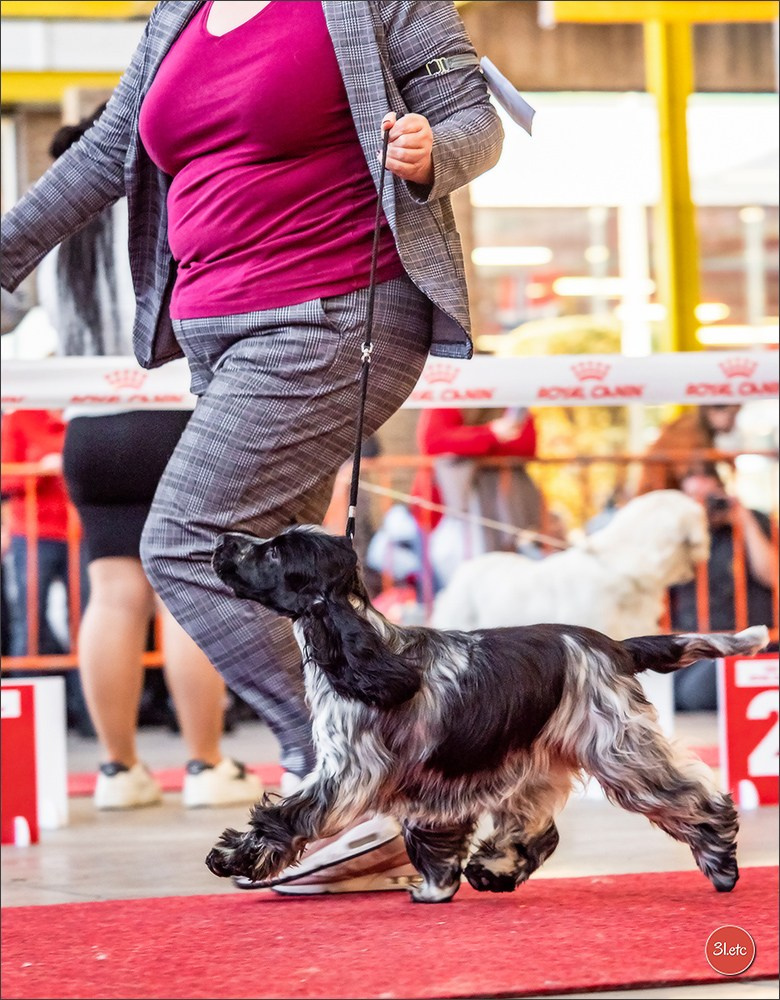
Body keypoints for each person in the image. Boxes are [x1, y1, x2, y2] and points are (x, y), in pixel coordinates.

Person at [1, 1, 503, 890]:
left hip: (338, 311)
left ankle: (363, 779)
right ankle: (398, 785)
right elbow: (105, 155)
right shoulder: (178, 16)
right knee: (282, 576)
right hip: (217, 338)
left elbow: (474, 115)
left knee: (190, 544)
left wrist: (434, 154)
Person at [35, 111, 263, 811]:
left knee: (112, 594)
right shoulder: (169, 210)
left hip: (90, 428)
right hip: (175, 417)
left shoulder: (56, 239)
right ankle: (205, 765)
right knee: (186, 593)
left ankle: (117, 771)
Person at [669, 464, 776, 711]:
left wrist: (744, 521)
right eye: (693, 498)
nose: (702, 505)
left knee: (693, 695)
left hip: (743, 642)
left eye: (709, 497)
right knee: (665, 694)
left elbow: (771, 575)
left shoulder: (753, 520)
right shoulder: (682, 534)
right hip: (694, 641)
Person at [411, 405, 541, 588]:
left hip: (498, 510)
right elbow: (434, 441)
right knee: (443, 586)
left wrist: (469, 443)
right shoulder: (448, 398)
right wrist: (491, 434)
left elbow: (526, 444)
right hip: (440, 510)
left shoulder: (510, 401)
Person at [637, 404, 741, 495]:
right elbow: (691, 477)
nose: (734, 422)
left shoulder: (700, 430)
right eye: (732, 415)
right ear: (712, 411)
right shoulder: (688, 430)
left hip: (668, 497)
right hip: (659, 499)